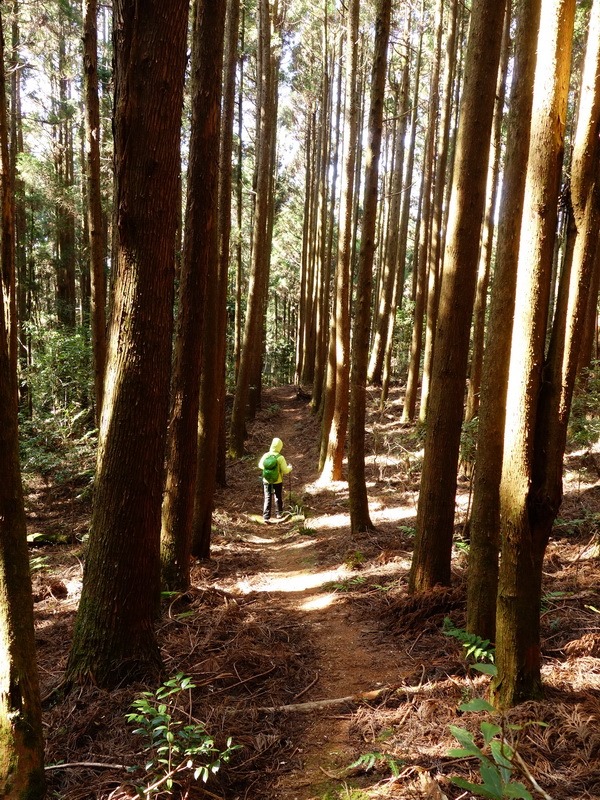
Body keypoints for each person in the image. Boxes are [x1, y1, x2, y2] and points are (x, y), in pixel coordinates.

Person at [258, 437, 292, 522]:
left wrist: (268, 469)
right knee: (278, 496)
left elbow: (260, 465)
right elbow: (285, 470)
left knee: (267, 497)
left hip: (266, 480)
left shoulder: (266, 455)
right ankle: (279, 513)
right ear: (280, 447)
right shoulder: (280, 458)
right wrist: (290, 468)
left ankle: (266, 517)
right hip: (278, 480)